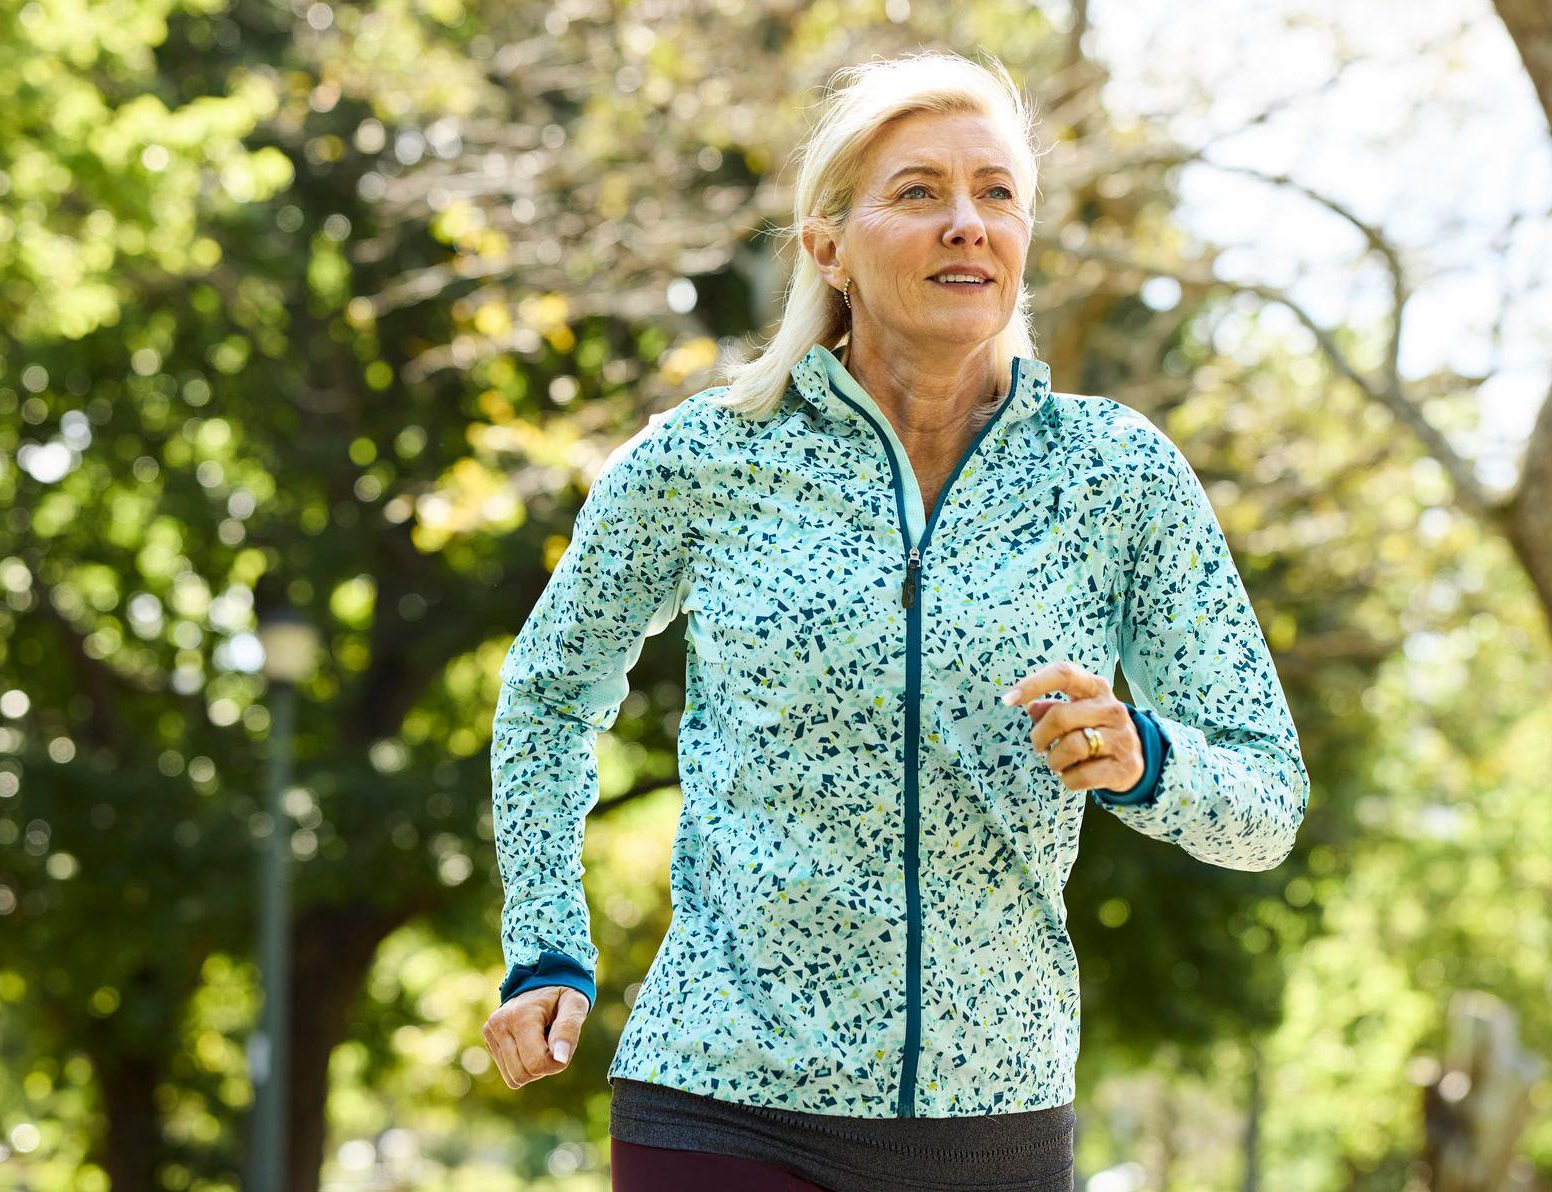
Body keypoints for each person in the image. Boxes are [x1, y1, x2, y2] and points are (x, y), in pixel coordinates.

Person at [482, 49, 1311, 1191]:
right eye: (917, 192)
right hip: (723, 1096)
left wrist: (1144, 759)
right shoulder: (708, 456)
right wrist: (544, 938)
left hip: (993, 1116)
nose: (965, 223)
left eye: (995, 194)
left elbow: (1267, 800)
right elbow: (547, 690)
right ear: (827, 243)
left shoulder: (1116, 476)